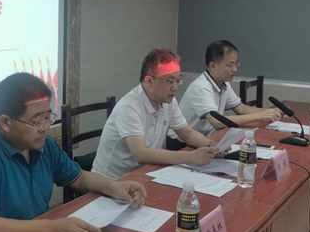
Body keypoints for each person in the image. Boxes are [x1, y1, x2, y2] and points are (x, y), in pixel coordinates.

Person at [0, 73, 147, 232]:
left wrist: (114, 187)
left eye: (47, 118)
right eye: (36, 122)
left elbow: (79, 178)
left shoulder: (42, 144)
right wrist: (52, 229)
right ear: (5, 122)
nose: (45, 128)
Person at [91, 48, 219, 181]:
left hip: (147, 173)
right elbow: (141, 154)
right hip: (112, 181)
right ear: (149, 81)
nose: (175, 87)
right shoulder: (129, 106)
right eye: (169, 81)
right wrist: (191, 157)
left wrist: (211, 145)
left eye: (177, 81)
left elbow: (187, 133)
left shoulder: (169, 102)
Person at [178, 41, 282, 138]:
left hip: (207, 138)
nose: (235, 69)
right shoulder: (201, 87)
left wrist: (270, 111)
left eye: (236, 64)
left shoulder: (224, 83)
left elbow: (241, 109)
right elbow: (217, 122)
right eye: (230, 65)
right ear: (213, 65)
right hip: (184, 143)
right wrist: (258, 116)